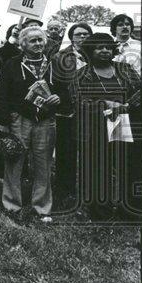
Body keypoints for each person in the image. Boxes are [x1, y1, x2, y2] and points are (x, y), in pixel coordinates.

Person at [70, 32, 142, 222]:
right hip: (96, 127)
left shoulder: (125, 69)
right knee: (99, 169)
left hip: (126, 124)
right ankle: (100, 213)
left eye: (107, 47)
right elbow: (78, 101)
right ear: (90, 51)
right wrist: (105, 103)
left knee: (130, 166)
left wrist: (131, 103)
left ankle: (130, 211)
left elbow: (141, 92)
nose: (104, 50)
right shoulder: (82, 74)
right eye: (99, 47)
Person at [0, 26, 61, 222]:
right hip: (20, 118)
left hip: (46, 120)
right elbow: (2, 94)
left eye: (40, 40)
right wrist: (4, 121)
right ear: (23, 44)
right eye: (33, 41)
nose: (38, 44)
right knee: (14, 161)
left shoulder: (53, 64)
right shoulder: (12, 64)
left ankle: (42, 208)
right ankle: (12, 205)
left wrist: (59, 98)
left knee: (44, 163)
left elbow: (65, 89)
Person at [51, 22, 93, 200]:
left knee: (89, 151)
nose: (83, 37)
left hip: (91, 111)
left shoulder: (96, 55)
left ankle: (88, 190)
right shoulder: (60, 56)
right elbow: (56, 85)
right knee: (66, 151)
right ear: (71, 37)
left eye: (86, 34)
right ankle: (64, 190)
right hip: (68, 111)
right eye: (79, 34)